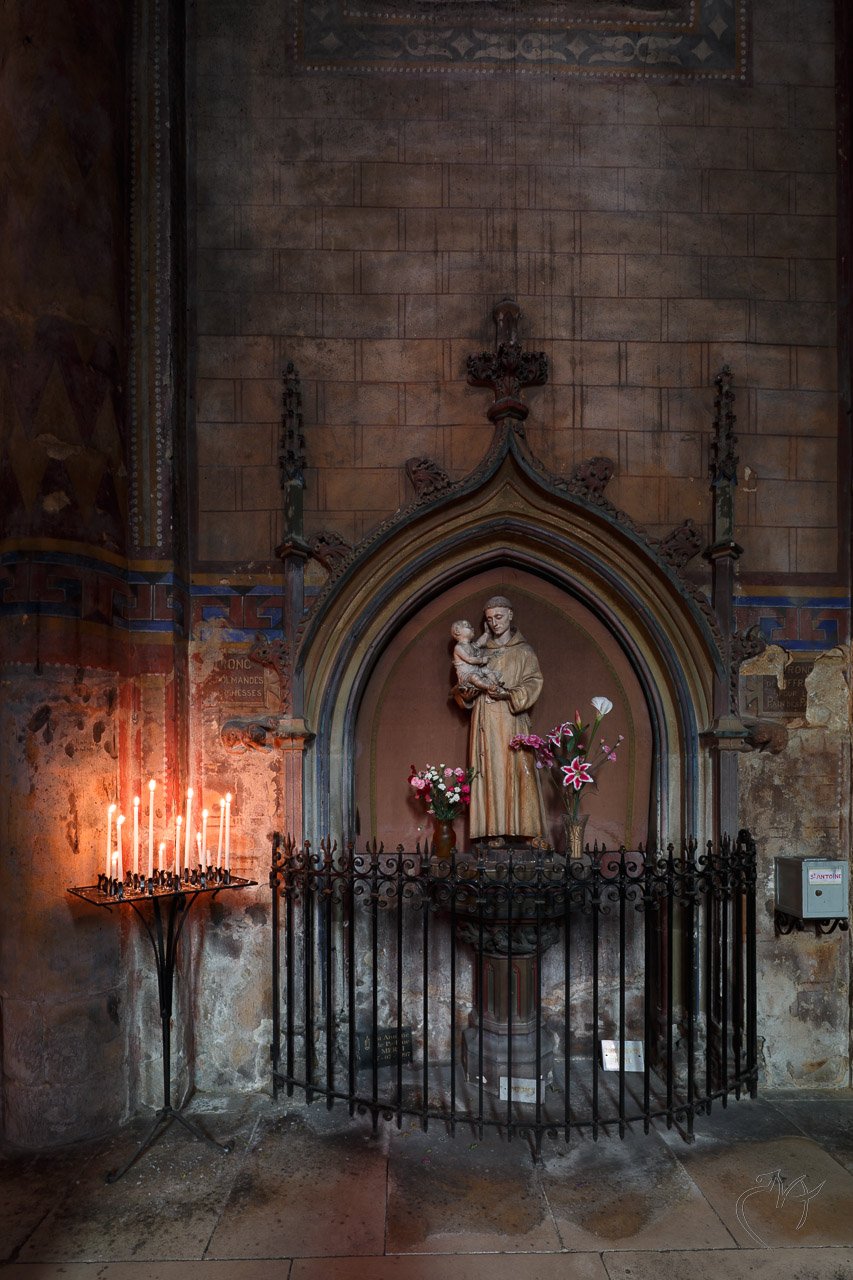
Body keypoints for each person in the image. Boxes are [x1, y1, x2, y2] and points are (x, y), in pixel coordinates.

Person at [456, 595, 546, 841]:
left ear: (510, 615)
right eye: (489, 619)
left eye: (499, 617)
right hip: (485, 719)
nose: (494, 623)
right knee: (490, 771)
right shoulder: (480, 651)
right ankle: (492, 831)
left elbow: (534, 682)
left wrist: (509, 694)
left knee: (518, 770)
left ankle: (524, 831)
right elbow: (464, 683)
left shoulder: (524, 651)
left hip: (512, 719)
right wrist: (466, 693)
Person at [450, 619, 505, 695]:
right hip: (466, 675)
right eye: (468, 626)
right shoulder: (458, 647)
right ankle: (489, 687)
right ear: (457, 631)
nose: (472, 628)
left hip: (476, 670)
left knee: (487, 670)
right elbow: (469, 659)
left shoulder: (471, 645)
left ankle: (497, 684)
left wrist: (486, 633)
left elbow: (479, 643)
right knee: (474, 677)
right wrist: (482, 660)